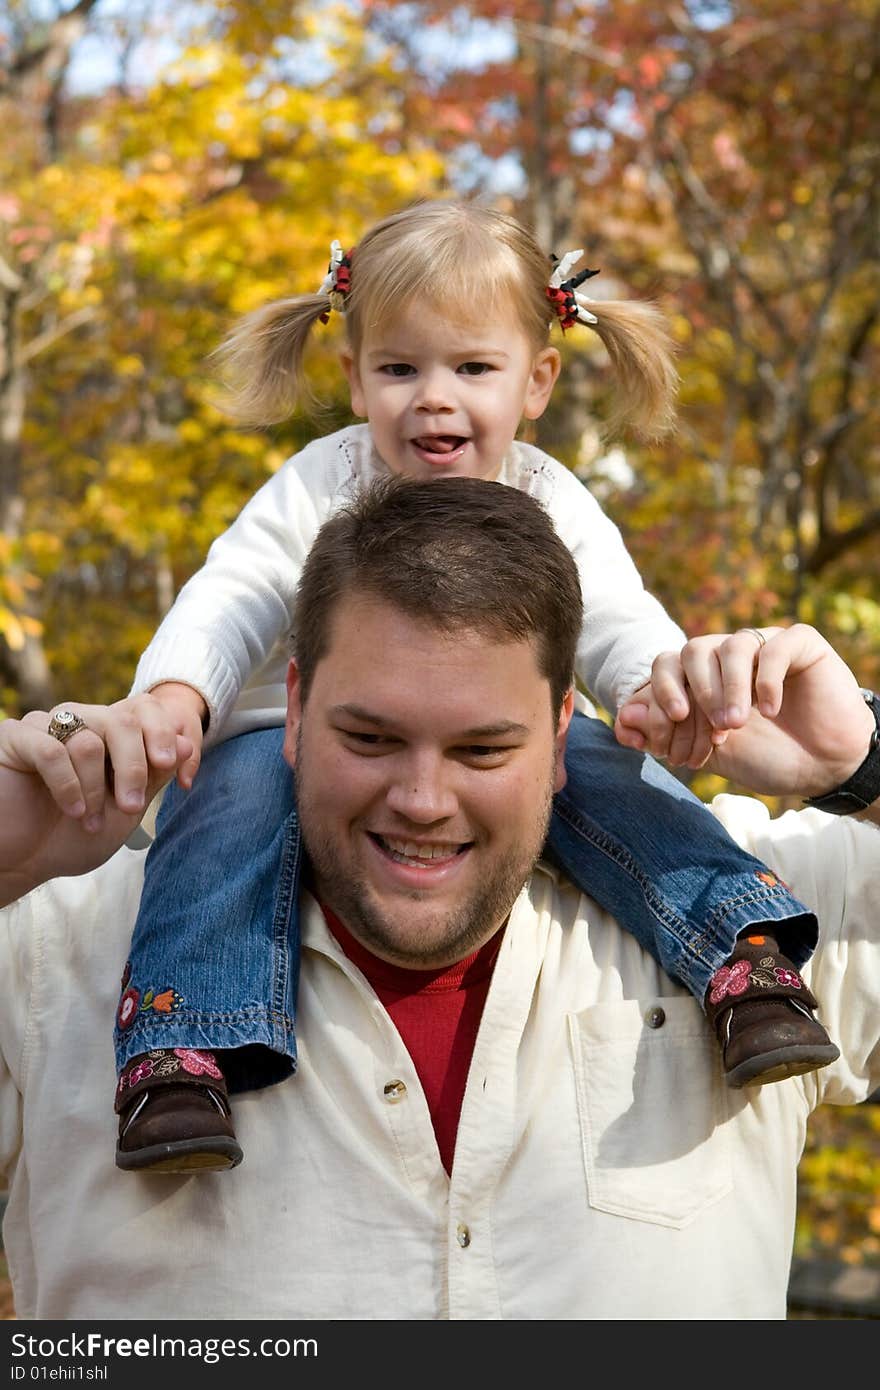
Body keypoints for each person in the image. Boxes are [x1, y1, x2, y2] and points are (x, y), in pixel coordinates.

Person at [1, 477, 879, 1321]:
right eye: (371, 737)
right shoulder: (57, 954)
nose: (422, 798)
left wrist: (861, 763)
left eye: (483, 750)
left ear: (565, 728)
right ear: (296, 709)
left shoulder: (745, 907)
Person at [82, 199, 836, 1174]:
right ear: (354, 380)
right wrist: (177, 696)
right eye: (400, 368)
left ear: (537, 381)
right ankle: (183, 1048)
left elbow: (613, 612)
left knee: (620, 780)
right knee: (221, 809)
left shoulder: (549, 496)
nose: (433, 398)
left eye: (472, 368)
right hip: (286, 737)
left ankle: (741, 953)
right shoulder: (321, 484)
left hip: (510, 736)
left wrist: (661, 690)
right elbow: (232, 595)